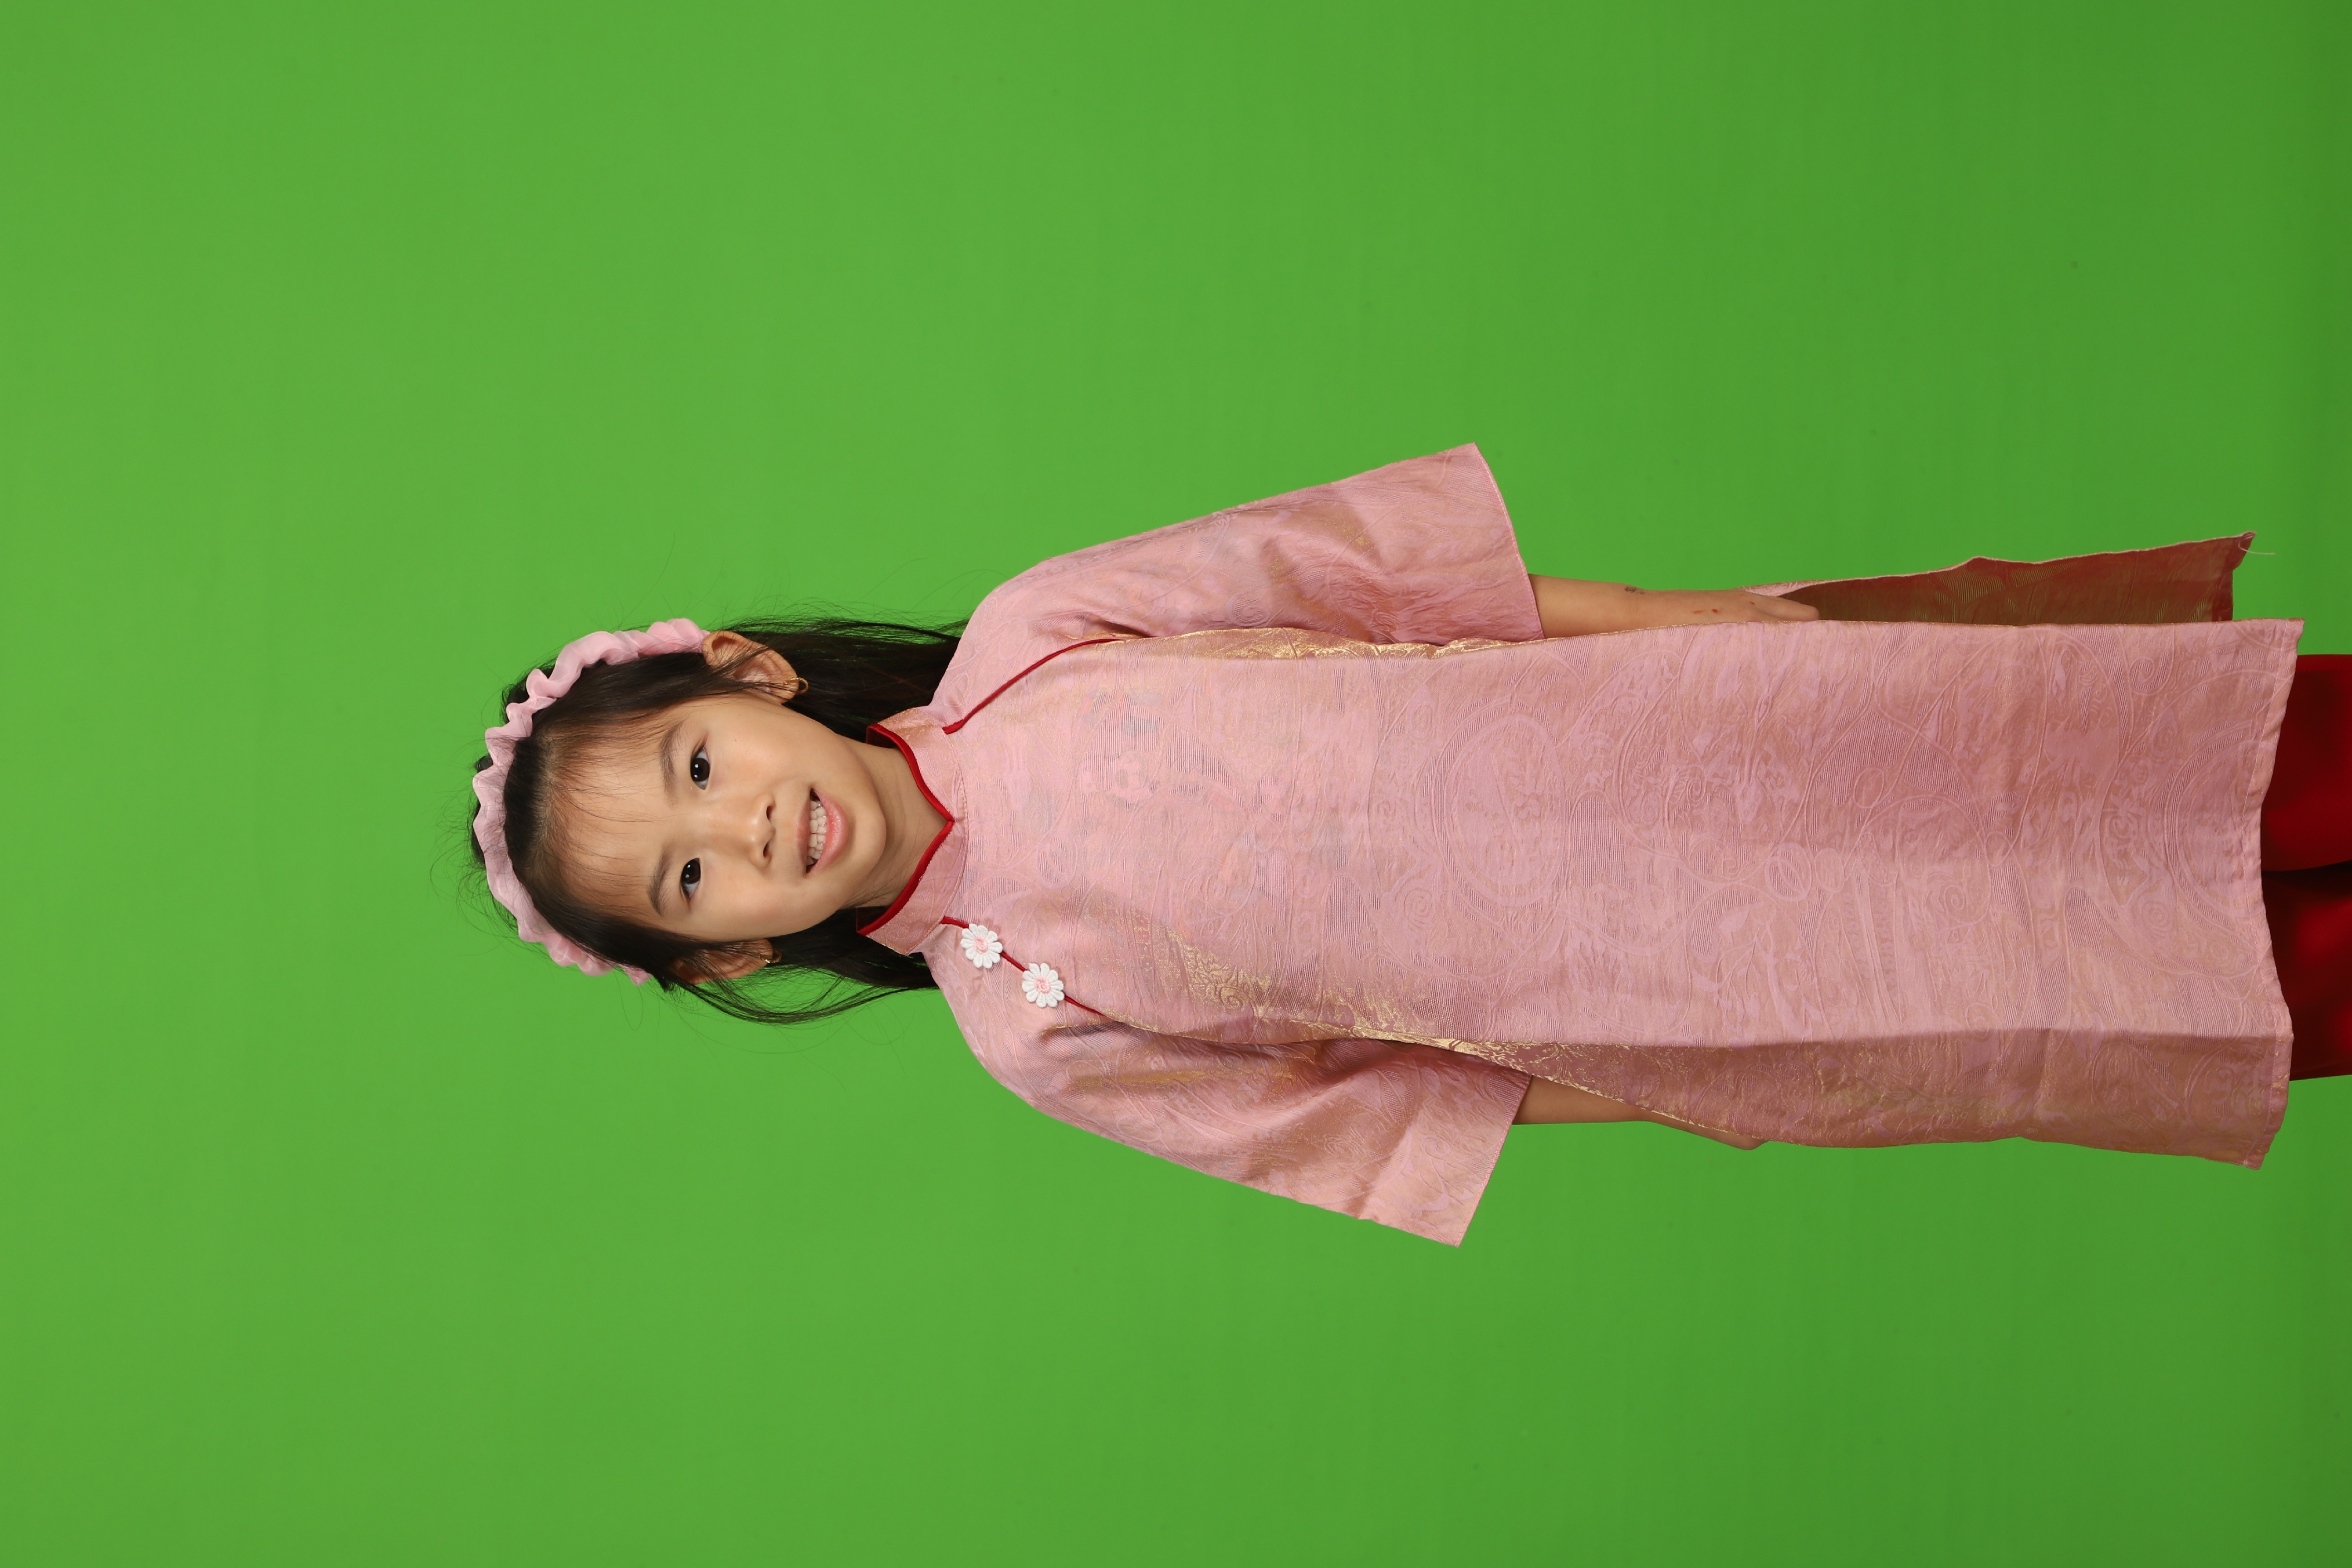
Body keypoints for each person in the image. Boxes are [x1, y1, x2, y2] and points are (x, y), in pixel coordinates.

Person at [469, 447, 2351, 1243]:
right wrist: (1715, 1072)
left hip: (1746, 732)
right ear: (726, 950)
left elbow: (1409, 591)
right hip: (1714, 977)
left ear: (749, 674)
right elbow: (1408, 1108)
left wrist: (1719, 629)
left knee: (2188, 766)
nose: (745, 827)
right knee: (2191, 978)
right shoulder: (1033, 1030)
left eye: (699, 765)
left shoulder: (1046, 634)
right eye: (692, 878)